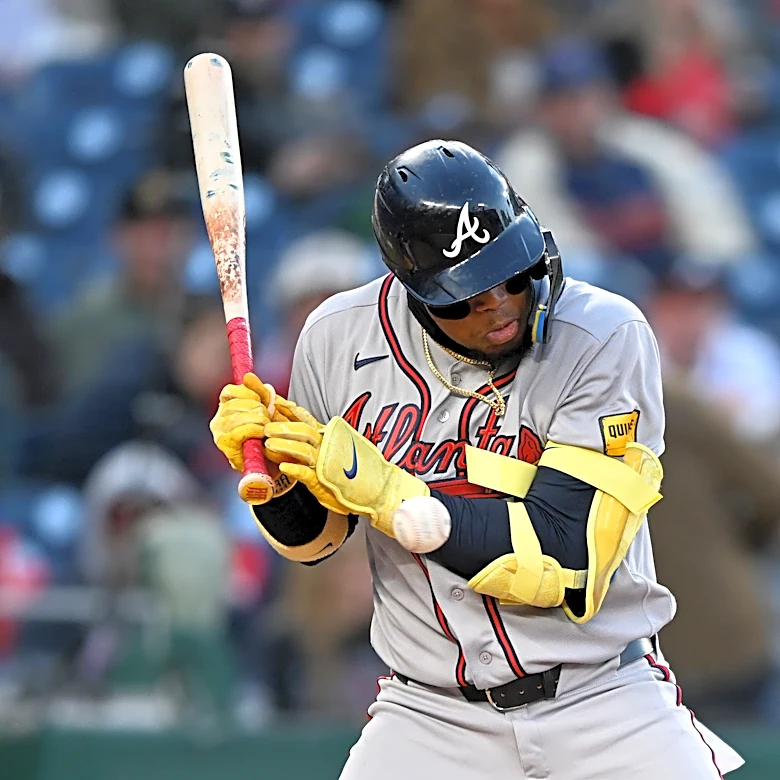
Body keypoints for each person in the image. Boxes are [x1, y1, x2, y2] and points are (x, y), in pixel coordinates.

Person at [209, 140, 743, 778]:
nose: (499, 306)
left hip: (601, 701)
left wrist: (394, 496)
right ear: (411, 288)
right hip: (429, 714)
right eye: (465, 295)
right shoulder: (336, 338)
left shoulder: (603, 335)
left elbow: (566, 555)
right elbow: (317, 542)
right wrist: (273, 475)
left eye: (510, 274)